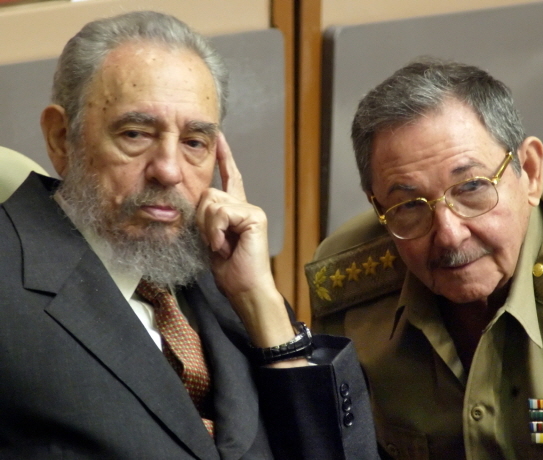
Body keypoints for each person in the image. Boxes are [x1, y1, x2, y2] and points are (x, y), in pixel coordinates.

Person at [0, 11, 379, 459]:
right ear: (62, 138)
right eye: (136, 134)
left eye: (194, 142)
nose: (169, 170)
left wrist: (259, 300)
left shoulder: (219, 270)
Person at [307, 57, 543, 459]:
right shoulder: (348, 287)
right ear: (378, 206)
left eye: (471, 188)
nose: (449, 234)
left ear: (530, 172)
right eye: (410, 205)